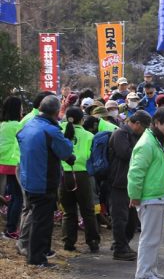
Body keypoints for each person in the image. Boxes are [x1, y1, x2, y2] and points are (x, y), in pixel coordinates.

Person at [17, 96, 74, 266]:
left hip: (27, 177)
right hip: (43, 181)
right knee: (41, 222)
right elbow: (65, 151)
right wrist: (68, 138)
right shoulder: (50, 130)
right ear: (57, 113)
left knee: (34, 217)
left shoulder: (28, 124)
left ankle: (38, 252)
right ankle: (37, 259)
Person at [127, 107, 164, 279]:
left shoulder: (158, 140)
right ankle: (143, 274)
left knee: (155, 239)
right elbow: (136, 172)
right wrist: (134, 195)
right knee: (149, 238)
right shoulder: (147, 143)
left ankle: (151, 270)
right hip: (149, 197)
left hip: (158, 195)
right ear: (157, 123)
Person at [108, 111, 150, 261]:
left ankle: (122, 243)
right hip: (117, 182)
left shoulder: (134, 136)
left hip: (129, 183)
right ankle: (120, 248)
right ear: (137, 123)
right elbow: (125, 153)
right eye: (144, 127)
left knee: (131, 219)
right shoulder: (120, 134)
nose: (145, 130)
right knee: (120, 217)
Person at [59, 107, 100, 253]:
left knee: (68, 211)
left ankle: (68, 242)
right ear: (81, 120)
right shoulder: (89, 135)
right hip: (81, 174)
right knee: (87, 210)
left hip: (64, 174)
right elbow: (90, 156)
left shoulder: (60, 130)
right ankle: (93, 241)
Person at [0, 97, 23, 240]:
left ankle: (9, 226)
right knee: (18, 198)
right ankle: (11, 228)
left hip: (4, 163)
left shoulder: (3, 125)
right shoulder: (18, 125)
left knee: (13, 196)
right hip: (14, 163)